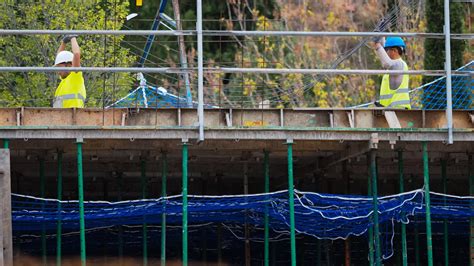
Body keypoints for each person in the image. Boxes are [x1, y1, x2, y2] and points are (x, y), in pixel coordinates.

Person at [373, 37, 411, 109]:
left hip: (399, 108)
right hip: (391, 108)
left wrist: (377, 45)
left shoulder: (399, 64)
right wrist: (381, 37)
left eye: (387, 50)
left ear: (394, 51)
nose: (386, 53)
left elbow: (386, 63)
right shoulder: (395, 66)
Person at [53, 35, 86, 108]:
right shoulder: (64, 80)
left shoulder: (75, 76)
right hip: (60, 117)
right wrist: (63, 43)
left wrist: (72, 38)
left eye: (59, 69)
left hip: (74, 116)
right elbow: (59, 58)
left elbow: (76, 54)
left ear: (68, 65)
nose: (58, 72)